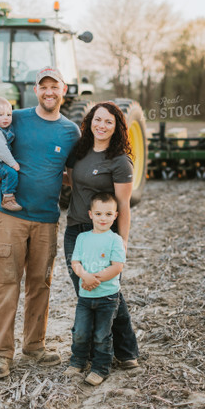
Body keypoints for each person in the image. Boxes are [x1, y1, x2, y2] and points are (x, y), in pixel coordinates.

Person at [0, 67, 80, 379]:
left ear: (64, 90)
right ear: (36, 90)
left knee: (41, 284)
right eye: (43, 87)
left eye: (55, 87)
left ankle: (34, 346)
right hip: (10, 217)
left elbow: (72, 174)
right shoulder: (16, 118)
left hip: (46, 220)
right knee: (6, 285)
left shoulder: (70, 131)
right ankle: (1, 355)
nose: (49, 92)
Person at [64, 101, 139, 369]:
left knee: (108, 294)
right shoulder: (80, 151)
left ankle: (126, 352)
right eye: (98, 119)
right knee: (86, 292)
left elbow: (123, 206)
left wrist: (123, 241)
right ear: (89, 122)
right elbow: (71, 181)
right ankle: (89, 352)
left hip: (106, 235)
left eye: (109, 121)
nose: (102, 125)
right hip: (76, 231)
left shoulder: (119, 161)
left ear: (117, 126)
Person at [65, 192, 126, 386]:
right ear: (90, 214)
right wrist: (85, 276)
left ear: (115, 216)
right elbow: (75, 261)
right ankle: (78, 361)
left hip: (107, 298)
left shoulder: (115, 240)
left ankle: (100, 368)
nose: (103, 218)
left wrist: (95, 279)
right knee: (80, 331)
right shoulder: (82, 238)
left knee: (102, 335)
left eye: (108, 214)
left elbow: (117, 266)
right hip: (85, 297)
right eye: (99, 214)